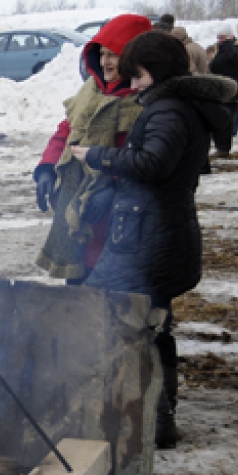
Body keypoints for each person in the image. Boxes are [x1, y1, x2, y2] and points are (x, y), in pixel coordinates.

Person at [70, 31, 237, 449]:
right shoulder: (183, 105)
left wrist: (97, 156)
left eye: (139, 76)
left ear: (157, 71)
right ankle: (156, 416)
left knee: (139, 324)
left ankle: (153, 419)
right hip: (159, 228)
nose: (135, 85)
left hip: (151, 236)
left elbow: (152, 164)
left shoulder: (169, 109)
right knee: (152, 323)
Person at [34, 14, 152, 283]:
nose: (104, 62)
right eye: (101, 54)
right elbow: (66, 130)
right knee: (77, 276)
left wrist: (111, 187)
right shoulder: (90, 91)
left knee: (114, 286)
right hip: (76, 201)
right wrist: (46, 167)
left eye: (114, 55)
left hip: (119, 212)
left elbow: (147, 159)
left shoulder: (145, 102)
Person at [209, 26, 238, 156]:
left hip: (231, 90)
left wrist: (229, 42)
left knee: (226, 120)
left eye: (222, 38)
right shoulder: (222, 49)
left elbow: (230, 58)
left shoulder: (237, 48)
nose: (220, 40)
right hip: (221, 90)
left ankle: (223, 148)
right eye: (219, 38)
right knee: (220, 118)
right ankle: (221, 146)